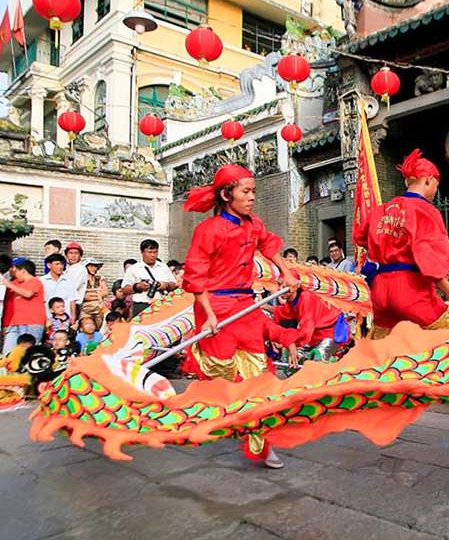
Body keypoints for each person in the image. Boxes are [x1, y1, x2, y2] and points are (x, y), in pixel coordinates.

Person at [181, 163, 303, 469]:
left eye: (253, 192)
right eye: (245, 192)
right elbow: (196, 278)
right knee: (221, 378)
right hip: (216, 310)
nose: (251, 198)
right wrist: (208, 316)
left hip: (246, 309)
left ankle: (262, 441)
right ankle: (216, 416)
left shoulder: (253, 224)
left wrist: (286, 273)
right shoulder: (207, 230)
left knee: (258, 378)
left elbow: (270, 247)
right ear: (226, 194)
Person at [353, 149, 449, 338]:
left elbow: (360, 237)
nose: (435, 190)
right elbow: (429, 260)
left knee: (385, 353)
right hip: (411, 290)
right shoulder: (425, 211)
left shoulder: (381, 210)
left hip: (381, 292)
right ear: (428, 180)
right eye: (436, 185)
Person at [274, 288, 347, 364]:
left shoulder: (306, 298)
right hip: (312, 334)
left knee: (318, 360)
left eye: (283, 286)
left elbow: (307, 326)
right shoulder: (293, 300)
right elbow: (283, 311)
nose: (279, 288)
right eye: (279, 285)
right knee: (295, 357)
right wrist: (263, 305)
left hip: (330, 332)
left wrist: (291, 342)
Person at [122, 240, 178, 316]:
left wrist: (165, 285)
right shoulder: (133, 269)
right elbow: (124, 289)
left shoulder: (163, 267)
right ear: (142, 252)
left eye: (155, 252)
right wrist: (138, 286)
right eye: (149, 252)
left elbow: (174, 284)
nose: (153, 255)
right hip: (142, 305)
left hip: (162, 305)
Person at [1, 259, 46, 354]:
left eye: (15, 271)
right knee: (8, 352)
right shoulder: (16, 283)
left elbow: (28, 294)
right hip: (14, 323)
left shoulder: (35, 281)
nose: (14, 274)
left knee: (28, 353)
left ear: (23, 270)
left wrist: (8, 284)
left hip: (32, 323)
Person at [40, 254, 77, 322]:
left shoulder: (69, 280)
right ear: (49, 265)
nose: (60, 266)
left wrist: (73, 316)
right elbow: (41, 301)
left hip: (66, 318)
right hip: (48, 318)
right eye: (57, 264)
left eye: (62, 264)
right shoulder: (42, 281)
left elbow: (72, 300)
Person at [81, 259, 108, 329]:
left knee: (102, 328)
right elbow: (81, 295)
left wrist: (91, 296)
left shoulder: (100, 278)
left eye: (95, 266)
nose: (94, 268)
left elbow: (105, 292)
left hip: (99, 308)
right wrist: (98, 295)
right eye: (91, 266)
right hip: (85, 309)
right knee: (86, 328)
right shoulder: (81, 279)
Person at [64, 242, 88, 313]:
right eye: (70, 253)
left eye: (76, 253)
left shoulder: (80, 268)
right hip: (65, 305)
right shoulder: (68, 268)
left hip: (74, 305)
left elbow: (72, 287)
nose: (73, 256)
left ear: (80, 256)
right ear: (66, 255)